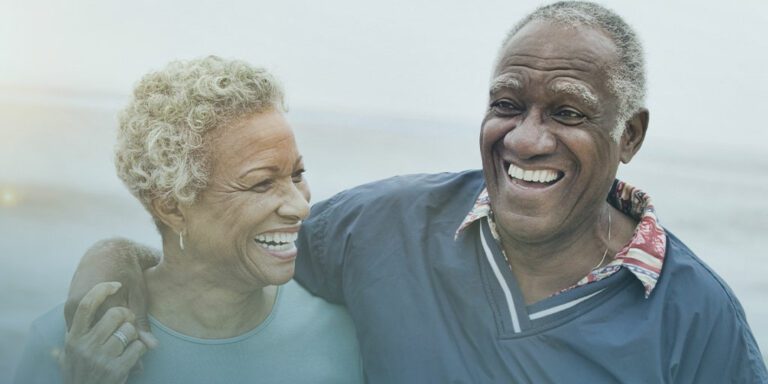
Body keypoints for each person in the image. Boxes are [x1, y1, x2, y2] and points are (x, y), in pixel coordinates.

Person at [58, 1, 768, 383]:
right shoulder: (388, 227)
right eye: (507, 104)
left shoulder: (695, 319)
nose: (525, 138)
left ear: (631, 135)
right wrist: (102, 287)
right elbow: (218, 251)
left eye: (569, 113)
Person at [14, 56, 363, 384]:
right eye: (262, 183)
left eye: (297, 174)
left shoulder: (343, 331)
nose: (300, 208)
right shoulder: (69, 346)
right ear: (172, 207)